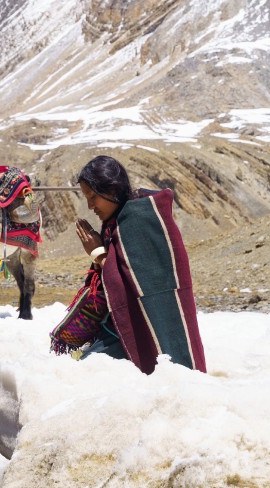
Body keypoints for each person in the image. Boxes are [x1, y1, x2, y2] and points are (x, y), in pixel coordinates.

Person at [74, 155, 206, 375]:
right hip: (123, 327)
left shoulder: (139, 219)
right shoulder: (117, 221)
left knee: (87, 374)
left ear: (112, 189)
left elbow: (136, 285)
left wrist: (98, 253)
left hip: (149, 328)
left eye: (93, 196)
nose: (90, 206)